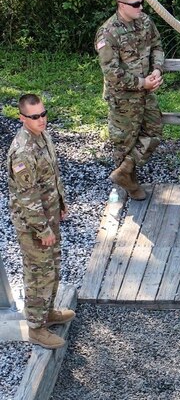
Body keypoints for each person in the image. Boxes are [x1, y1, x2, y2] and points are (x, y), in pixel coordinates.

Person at [6, 94, 75, 349]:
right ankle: (36, 327)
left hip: (49, 215)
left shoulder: (42, 136)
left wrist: (61, 205)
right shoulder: (22, 151)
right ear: (22, 118)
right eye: (35, 117)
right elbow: (27, 196)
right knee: (39, 274)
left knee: (53, 267)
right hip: (34, 225)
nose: (41, 119)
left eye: (43, 114)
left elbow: (52, 176)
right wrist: (42, 229)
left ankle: (47, 313)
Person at [95, 0, 165, 200]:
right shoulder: (108, 32)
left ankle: (124, 172)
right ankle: (129, 185)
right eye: (135, 4)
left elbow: (157, 46)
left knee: (154, 130)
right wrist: (141, 83)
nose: (141, 7)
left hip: (146, 92)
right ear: (121, 5)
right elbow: (112, 72)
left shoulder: (145, 22)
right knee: (124, 141)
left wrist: (156, 69)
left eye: (141, 2)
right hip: (122, 98)